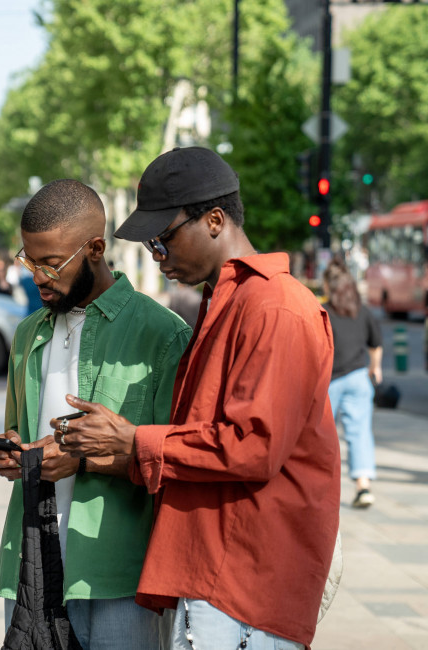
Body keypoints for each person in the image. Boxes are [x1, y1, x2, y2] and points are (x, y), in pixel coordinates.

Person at [59, 147, 340, 648]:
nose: (156, 257)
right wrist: (114, 450)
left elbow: (253, 446)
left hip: (247, 583)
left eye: (163, 240)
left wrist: (137, 442)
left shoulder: (275, 306)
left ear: (214, 220)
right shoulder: (228, 301)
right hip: (213, 571)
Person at [0, 179, 192, 649]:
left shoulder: (162, 335)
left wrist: (82, 460)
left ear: (96, 248)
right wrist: (14, 454)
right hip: (30, 562)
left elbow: (176, 462)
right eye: (29, 260)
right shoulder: (26, 334)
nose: (37, 276)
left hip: (118, 574)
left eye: (51, 264)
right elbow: (20, 428)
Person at [324, 259, 382, 508]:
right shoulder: (363, 311)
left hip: (331, 380)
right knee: (359, 433)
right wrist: (375, 367)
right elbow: (376, 343)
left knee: (324, 436)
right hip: (359, 377)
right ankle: (363, 486)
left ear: (331, 287)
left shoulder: (324, 312)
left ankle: (323, 488)